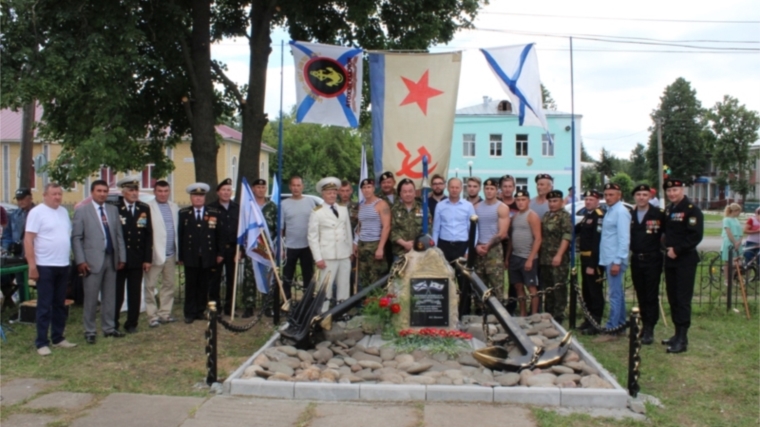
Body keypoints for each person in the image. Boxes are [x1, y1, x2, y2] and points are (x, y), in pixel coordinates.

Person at [72, 179, 127, 343]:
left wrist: (122, 256)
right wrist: (80, 260)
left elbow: (119, 236)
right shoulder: (82, 211)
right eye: (99, 191)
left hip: (111, 258)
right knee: (90, 297)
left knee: (110, 296)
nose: (102, 194)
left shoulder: (112, 210)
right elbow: (76, 238)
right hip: (91, 261)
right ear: (92, 192)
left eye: (105, 191)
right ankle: (90, 330)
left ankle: (109, 327)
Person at [24, 183, 76, 355]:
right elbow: (28, 240)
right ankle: (41, 342)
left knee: (60, 303)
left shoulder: (63, 212)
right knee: (45, 305)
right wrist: (32, 266)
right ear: (45, 195)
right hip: (45, 265)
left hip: (62, 264)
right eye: (54, 194)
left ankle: (58, 337)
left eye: (59, 194)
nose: (57, 197)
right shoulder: (37, 212)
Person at [662, 179, 703, 354]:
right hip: (670, 259)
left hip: (684, 260)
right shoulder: (670, 209)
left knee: (682, 299)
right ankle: (676, 334)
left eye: (675, 190)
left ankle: (683, 339)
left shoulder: (692, 210)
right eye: (669, 191)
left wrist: (677, 250)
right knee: (673, 298)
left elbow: (695, 236)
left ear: (682, 190)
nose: (672, 193)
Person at [177, 183, 224, 324]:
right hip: (190, 255)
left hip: (207, 255)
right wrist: (181, 256)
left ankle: (200, 310)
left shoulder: (214, 213)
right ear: (191, 198)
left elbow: (220, 236)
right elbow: (181, 236)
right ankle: (190, 312)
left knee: (204, 285)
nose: (198, 199)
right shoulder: (184, 214)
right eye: (195, 196)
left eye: (201, 196)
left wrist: (220, 253)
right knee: (191, 285)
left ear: (205, 197)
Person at [629, 184, 668, 344]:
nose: (641, 197)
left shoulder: (658, 214)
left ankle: (650, 328)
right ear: (634, 197)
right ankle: (644, 325)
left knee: (651, 295)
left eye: (645, 194)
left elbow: (667, 234)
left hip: (652, 258)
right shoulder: (630, 214)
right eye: (638, 194)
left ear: (650, 197)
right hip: (636, 258)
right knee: (640, 294)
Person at [432, 178, 477, 316]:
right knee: (443, 279)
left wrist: (470, 250)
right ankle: (444, 311)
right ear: (447, 188)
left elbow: (474, 229)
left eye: (457, 187)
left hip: (462, 246)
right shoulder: (440, 205)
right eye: (452, 187)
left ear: (461, 189)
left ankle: (464, 311)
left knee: (463, 280)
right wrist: (435, 250)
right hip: (444, 246)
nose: (454, 190)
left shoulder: (468, 206)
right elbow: (436, 229)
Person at [114, 176, 153, 334]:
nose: (134, 193)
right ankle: (113, 322)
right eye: (131, 190)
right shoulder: (115, 208)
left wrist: (147, 259)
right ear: (123, 192)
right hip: (120, 259)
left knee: (135, 292)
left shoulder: (143, 208)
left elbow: (148, 234)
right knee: (117, 293)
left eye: (136, 190)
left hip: (137, 258)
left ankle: (132, 323)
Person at [308, 177, 354, 306]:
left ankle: (341, 313)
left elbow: (348, 231)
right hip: (327, 255)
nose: (332, 195)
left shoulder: (343, 208)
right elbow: (312, 237)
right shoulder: (317, 212)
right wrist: (318, 258)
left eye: (334, 192)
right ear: (323, 194)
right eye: (329, 193)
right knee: (325, 288)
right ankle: (322, 315)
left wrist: (350, 251)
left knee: (344, 285)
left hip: (344, 254)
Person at [594, 183, 631, 343]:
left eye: (611, 194)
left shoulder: (621, 212)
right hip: (608, 257)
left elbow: (624, 239)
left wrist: (617, 261)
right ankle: (621, 325)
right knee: (618, 294)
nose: (608, 197)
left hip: (614, 259)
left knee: (614, 295)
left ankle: (611, 329)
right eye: (606, 194)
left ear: (619, 195)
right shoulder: (611, 210)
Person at [144, 180, 179, 327]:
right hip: (155, 254)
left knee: (168, 285)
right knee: (150, 286)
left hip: (171, 253)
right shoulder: (148, 208)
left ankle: (165, 313)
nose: (163, 194)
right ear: (155, 192)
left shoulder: (174, 207)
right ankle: (152, 315)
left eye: (166, 191)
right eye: (160, 191)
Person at [208, 178, 241, 317]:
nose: (226, 193)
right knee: (214, 280)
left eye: (228, 190)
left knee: (231, 280)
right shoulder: (211, 208)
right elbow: (209, 232)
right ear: (218, 192)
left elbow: (242, 231)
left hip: (234, 250)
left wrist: (241, 251)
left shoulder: (237, 208)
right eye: (223, 190)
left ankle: (230, 307)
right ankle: (215, 307)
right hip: (216, 251)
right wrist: (217, 252)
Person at [506, 190, 542, 316]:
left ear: (528, 201)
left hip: (527, 257)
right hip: (515, 257)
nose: (520, 203)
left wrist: (530, 259)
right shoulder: (515, 217)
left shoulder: (532, 215)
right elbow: (511, 239)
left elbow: (538, 238)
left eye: (523, 200)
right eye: (518, 200)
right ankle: (523, 314)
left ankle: (534, 314)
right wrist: (507, 257)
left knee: (531, 287)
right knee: (518, 286)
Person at [574, 190, 605, 335]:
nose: (588, 202)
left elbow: (597, 242)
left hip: (593, 259)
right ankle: (588, 319)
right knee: (586, 290)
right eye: (586, 199)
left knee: (594, 291)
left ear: (598, 201)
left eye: (591, 199)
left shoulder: (599, 216)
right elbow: (577, 230)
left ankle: (596, 322)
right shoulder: (588, 216)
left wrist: (593, 264)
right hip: (584, 257)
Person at [281, 176, 318, 299]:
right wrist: (281, 247)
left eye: (298, 185)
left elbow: (316, 223)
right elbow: (281, 228)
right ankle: (286, 301)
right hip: (290, 246)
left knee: (308, 275)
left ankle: (307, 301)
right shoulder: (284, 204)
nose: (296, 188)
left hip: (307, 245)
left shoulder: (310, 202)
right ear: (290, 187)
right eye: (294, 185)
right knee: (287, 276)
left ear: (302, 187)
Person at [474, 178, 510, 301]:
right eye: (487, 188)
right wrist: (477, 246)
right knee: (479, 284)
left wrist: (488, 246)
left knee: (496, 285)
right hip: (478, 249)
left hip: (494, 250)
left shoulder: (502, 208)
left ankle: (498, 314)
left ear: (497, 190)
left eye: (492, 189)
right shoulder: (476, 207)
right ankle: (480, 311)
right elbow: (472, 230)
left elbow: (503, 233)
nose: (489, 191)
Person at [539, 190, 572, 322]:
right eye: (550, 201)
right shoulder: (546, 215)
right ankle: (549, 312)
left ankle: (559, 314)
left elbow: (567, 236)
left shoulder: (565, 216)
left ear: (561, 202)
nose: (552, 204)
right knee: (548, 288)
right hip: (545, 257)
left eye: (555, 201)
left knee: (558, 287)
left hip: (558, 257)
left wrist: (559, 255)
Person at [248, 178, 277, 317]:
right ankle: (249, 305)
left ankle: (268, 306)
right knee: (250, 275)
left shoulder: (272, 206)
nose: (260, 189)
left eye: (263, 187)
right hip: (252, 246)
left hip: (267, 248)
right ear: (253, 189)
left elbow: (277, 228)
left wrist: (277, 247)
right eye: (258, 187)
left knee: (268, 276)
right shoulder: (248, 205)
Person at [1, 188, 35, 306]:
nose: (20, 202)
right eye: (18, 199)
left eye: (23, 199)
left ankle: (36, 305)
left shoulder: (38, 212)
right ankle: (23, 304)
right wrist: (8, 247)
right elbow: (7, 234)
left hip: (36, 253)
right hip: (18, 254)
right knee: (19, 280)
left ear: (30, 198)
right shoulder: (14, 215)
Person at [356, 178, 391, 287]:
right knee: (364, 277)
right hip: (363, 244)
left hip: (375, 244)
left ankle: (377, 302)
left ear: (373, 188)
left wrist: (380, 248)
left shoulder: (381, 204)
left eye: (369, 187)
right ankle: (366, 302)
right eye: (364, 188)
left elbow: (386, 227)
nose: (366, 190)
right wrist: (356, 243)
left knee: (376, 278)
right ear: (361, 190)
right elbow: (360, 226)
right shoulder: (361, 206)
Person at [391, 178, 424, 258]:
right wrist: (405, 244)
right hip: (400, 253)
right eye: (405, 192)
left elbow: (428, 228)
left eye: (410, 191)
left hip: (419, 251)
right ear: (400, 194)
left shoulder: (423, 208)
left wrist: (415, 244)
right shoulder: (394, 209)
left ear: (414, 193)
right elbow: (392, 230)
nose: (408, 194)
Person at [721, 203, 743, 287]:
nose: (739, 213)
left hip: (738, 241)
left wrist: (740, 241)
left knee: (736, 261)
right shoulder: (726, 220)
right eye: (738, 211)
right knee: (728, 261)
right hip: (730, 241)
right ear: (734, 211)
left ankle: (732, 279)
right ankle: (727, 280)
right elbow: (728, 231)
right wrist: (734, 242)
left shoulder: (736, 220)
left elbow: (740, 232)